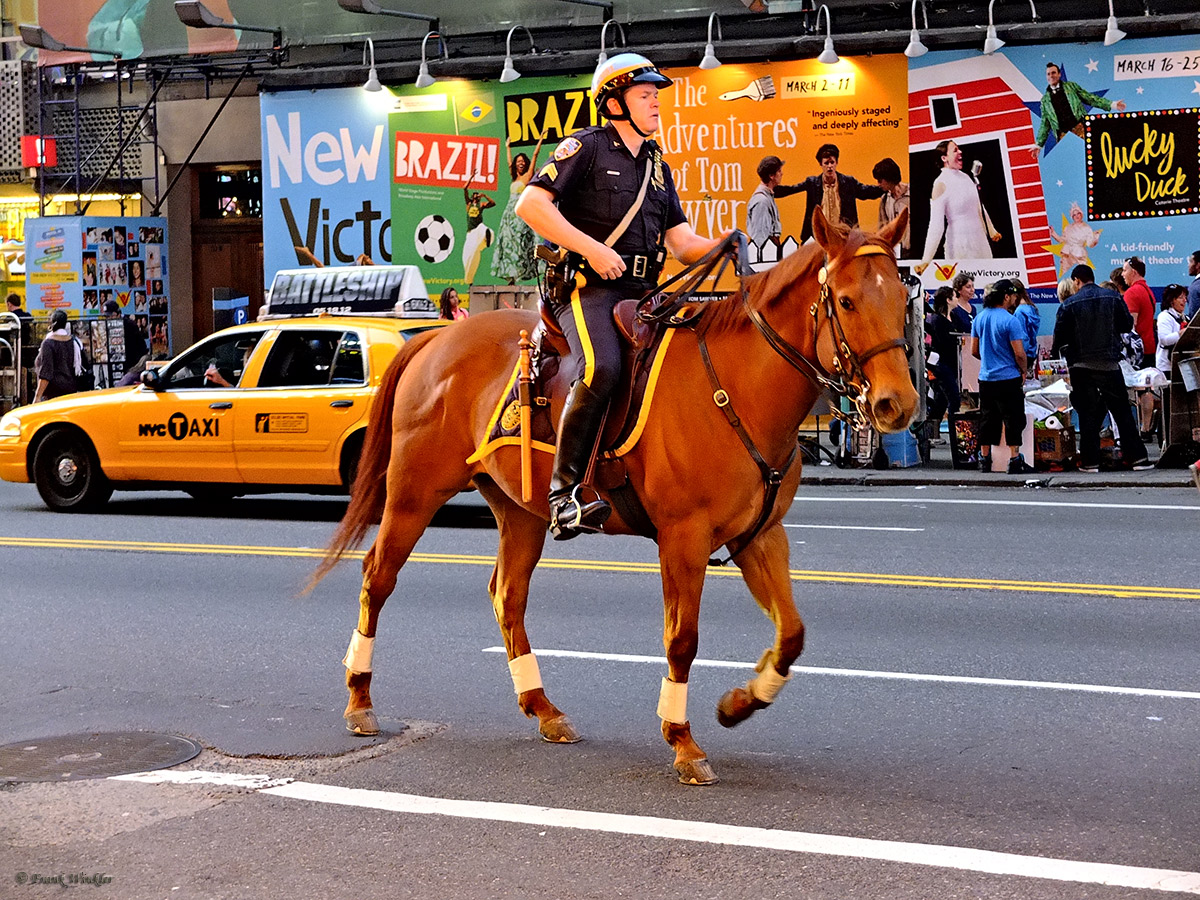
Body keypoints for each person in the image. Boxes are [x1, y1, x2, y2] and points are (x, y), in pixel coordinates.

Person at [516, 52, 723, 539]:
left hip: (645, 294)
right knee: (602, 366)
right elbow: (531, 203)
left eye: (656, 96)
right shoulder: (584, 147)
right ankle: (563, 495)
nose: (656, 104)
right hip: (588, 290)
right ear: (615, 102)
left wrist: (726, 244)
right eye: (645, 95)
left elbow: (682, 244)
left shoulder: (658, 169)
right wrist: (590, 249)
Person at [1051, 264, 1152, 473]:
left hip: (1080, 365)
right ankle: (1138, 459)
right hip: (1109, 363)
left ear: (1077, 281)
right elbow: (1126, 326)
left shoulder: (1069, 304)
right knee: (1122, 411)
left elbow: (1060, 337)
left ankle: (1090, 462)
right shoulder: (1113, 298)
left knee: (1088, 414)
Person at [971, 279, 1035, 474]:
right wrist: (1023, 370)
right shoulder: (1010, 320)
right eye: (1013, 296)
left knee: (987, 418)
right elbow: (1020, 353)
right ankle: (1014, 459)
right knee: (1013, 418)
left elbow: (974, 350)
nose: (1014, 300)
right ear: (1006, 297)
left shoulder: (979, 318)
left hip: (986, 377)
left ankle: (984, 459)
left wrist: (989, 359)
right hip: (1008, 377)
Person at [914, 140, 1000, 274]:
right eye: (955, 150)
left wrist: (991, 231)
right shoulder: (940, 183)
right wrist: (925, 260)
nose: (960, 152)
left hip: (981, 241)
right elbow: (935, 226)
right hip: (960, 245)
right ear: (944, 158)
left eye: (959, 149)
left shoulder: (966, 177)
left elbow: (978, 207)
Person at [1030, 62, 1126, 159]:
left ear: (1059, 74)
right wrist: (1039, 144)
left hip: (1080, 129)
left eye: (1053, 73)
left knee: (1096, 155)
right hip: (1063, 136)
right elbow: (1045, 124)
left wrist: (1111, 104)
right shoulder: (1045, 100)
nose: (1051, 76)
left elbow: (1090, 98)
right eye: (1048, 74)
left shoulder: (1071, 87)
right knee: (1072, 162)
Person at [795, 143, 885, 244]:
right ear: (821, 164)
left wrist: (885, 187)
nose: (830, 166)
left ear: (836, 162)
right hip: (820, 237)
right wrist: (773, 188)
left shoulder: (848, 182)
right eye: (826, 163)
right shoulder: (812, 183)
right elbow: (792, 189)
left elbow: (866, 192)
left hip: (844, 236)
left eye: (832, 162)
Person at [490, 134, 545, 284]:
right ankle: (510, 276)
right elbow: (509, 162)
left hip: (520, 214)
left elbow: (535, 155)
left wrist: (540, 141)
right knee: (508, 243)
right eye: (518, 161)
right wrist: (507, 147)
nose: (520, 163)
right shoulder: (514, 177)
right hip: (509, 214)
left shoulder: (528, 176)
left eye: (522, 161)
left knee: (520, 243)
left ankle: (520, 273)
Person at [924, 286, 960, 445]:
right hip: (942, 363)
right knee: (953, 398)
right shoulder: (938, 320)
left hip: (953, 363)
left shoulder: (954, 317)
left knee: (940, 400)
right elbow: (942, 342)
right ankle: (955, 433)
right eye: (955, 296)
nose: (957, 299)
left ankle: (932, 433)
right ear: (948, 300)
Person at [745, 155, 803, 249]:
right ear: (771, 176)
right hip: (767, 252)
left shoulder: (768, 196)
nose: (782, 174)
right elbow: (760, 237)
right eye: (779, 171)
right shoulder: (761, 201)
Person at [33, 309, 83, 402]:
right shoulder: (73, 342)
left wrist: (37, 396)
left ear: (52, 324)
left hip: (52, 395)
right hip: (71, 392)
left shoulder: (48, 344)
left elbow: (46, 374)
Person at [1047, 201, 1100, 277]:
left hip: (1079, 255)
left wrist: (1095, 238)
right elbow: (1062, 240)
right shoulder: (1068, 228)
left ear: (1081, 214)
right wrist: (1053, 233)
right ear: (1072, 217)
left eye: (1078, 213)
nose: (1076, 216)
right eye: (1074, 215)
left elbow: (1090, 244)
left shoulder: (1087, 228)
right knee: (1065, 275)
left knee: (1082, 275)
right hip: (1067, 255)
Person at [1120, 256, 1156, 367]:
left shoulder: (1132, 292)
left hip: (1138, 353)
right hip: (1149, 347)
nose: (1122, 274)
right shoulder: (1147, 290)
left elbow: (1130, 326)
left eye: (1125, 270)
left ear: (1134, 272)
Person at [872, 157, 910, 257]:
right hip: (894, 252)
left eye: (880, 180)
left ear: (889, 178)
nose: (878, 184)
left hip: (913, 251)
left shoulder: (912, 195)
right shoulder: (884, 200)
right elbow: (882, 228)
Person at [462, 178, 496, 285]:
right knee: (468, 256)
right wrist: (471, 177)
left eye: (477, 195)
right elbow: (464, 188)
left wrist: (485, 195)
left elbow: (493, 203)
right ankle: (469, 280)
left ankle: (487, 241)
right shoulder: (469, 204)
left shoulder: (481, 205)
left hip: (479, 230)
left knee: (484, 228)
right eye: (474, 195)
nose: (476, 196)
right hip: (470, 234)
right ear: (472, 197)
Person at [104, 298, 148, 372]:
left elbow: (140, 346)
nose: (109, 319)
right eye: (106, 317)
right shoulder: (108, 326)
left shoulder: (129, 325)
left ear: (118, 314)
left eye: (111, 316)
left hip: (131, 364)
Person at [1156, 284, 1187, 376]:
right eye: (1181, 297)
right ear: (1171, 300)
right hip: (1167, 367)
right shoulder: (1164, 316)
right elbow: (1164, 340)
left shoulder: (1184, 317)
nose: (1185, 300)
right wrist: (1181, 333)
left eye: (1185, 297)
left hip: (1181, 364)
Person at [1011, 278, 1040, 375]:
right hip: (1032, 353)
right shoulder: (1031, 308)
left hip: (1023, 355)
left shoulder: (1019, 312)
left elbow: (1022, 337)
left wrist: (1019, 356)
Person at [1186, 251, 1200, 322]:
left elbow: (1194, 318)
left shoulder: (1194, 288)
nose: (1188, 265)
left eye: (1191, 262)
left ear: (1198, 265)